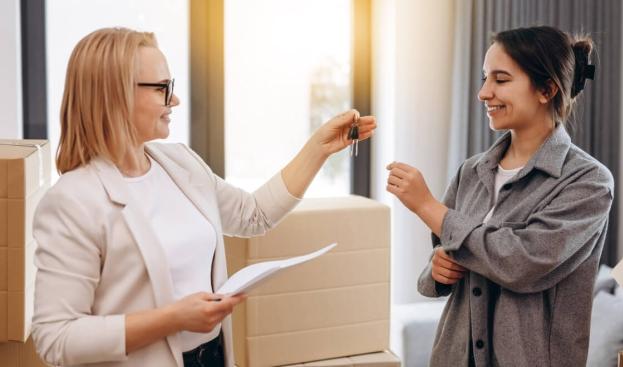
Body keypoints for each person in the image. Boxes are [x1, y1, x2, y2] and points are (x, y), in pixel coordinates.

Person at [31, 27, 376, 367]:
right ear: (115, 95)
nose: (175, 100)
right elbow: (57, 338)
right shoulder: (72, 201)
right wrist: (172, 319)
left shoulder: (180, 163)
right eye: (163, 88)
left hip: (212, 356)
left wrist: (319, 148)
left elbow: (252, 214)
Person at [386, 26, 613, 367]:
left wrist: (426, 206)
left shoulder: (588, 181)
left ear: (546, 89)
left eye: (500, 79)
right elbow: (442, 258)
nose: (483, 93)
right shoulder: (471, 172)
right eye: (483, 78)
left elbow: (521, 262)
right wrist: (436, 271)